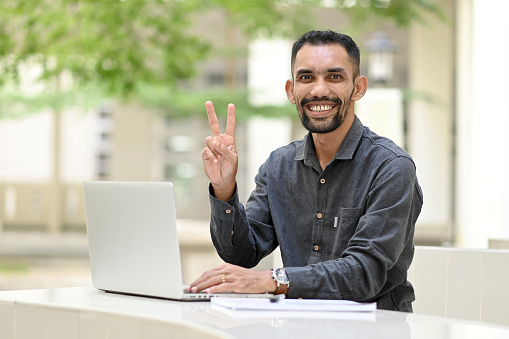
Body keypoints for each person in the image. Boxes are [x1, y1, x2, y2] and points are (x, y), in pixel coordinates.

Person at [186, 30, 423, 312]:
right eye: (306, 77)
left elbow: (364, 273)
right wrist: (224, 190)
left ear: (358, 87)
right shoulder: (278, 166)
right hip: (296, 324)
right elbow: (241, 254)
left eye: (334, 77)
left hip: (376, 329)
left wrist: (275, 280)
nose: (318, 90)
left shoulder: (391, 167)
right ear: (291, 90)